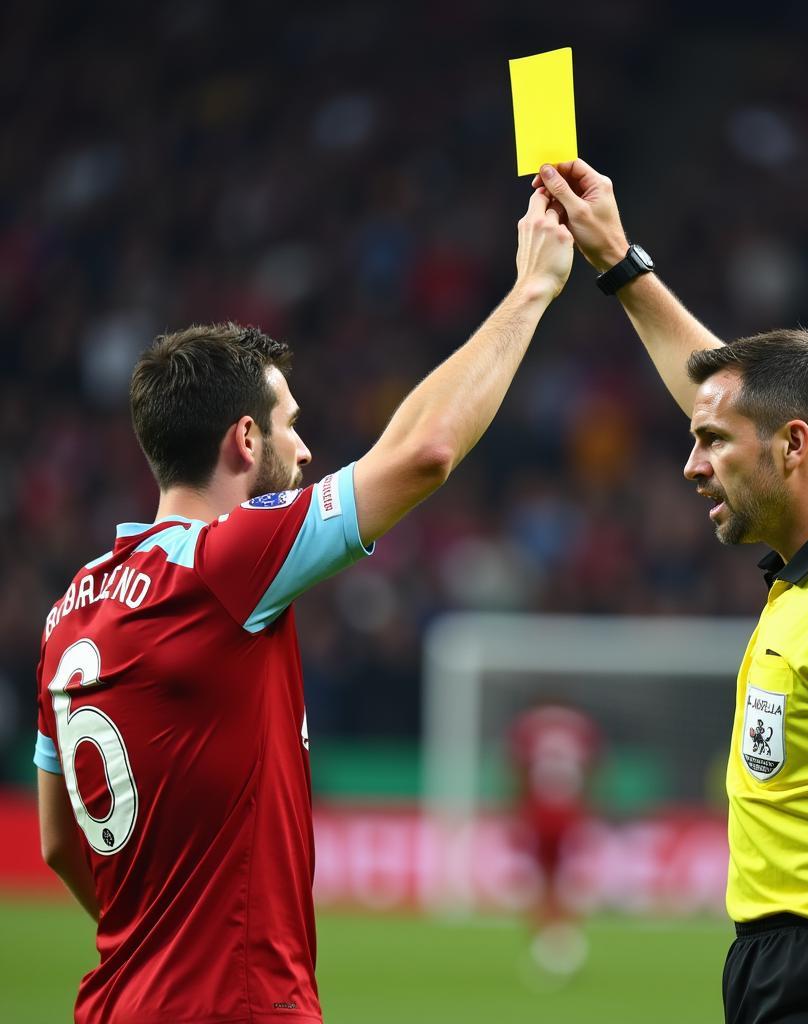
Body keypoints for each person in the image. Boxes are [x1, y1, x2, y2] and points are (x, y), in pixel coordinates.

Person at [33, 188, 573, 1024]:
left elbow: (58, 842)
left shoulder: (68, 609)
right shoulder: (224, 563)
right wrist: (530, 287)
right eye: (290, 425)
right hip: (240, 1005)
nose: (307, 448)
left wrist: (154, 949)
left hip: (112, 1003)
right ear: (244, 441)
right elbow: (424, 453)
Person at [535, 159, 808, 1024]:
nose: (690, 465)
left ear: (794, 447)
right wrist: (618, 263)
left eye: (712, 446)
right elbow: (729, 400)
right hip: (783, 965)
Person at [507, 698, 601, 981]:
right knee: (568, 879)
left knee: (541, 880)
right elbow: (592, 769)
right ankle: (564, 941)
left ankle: (547, 943)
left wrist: (517, 810)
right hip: (570, 812)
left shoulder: (529, 726)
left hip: (538, 811)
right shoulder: (580, 726)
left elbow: (519, 770)